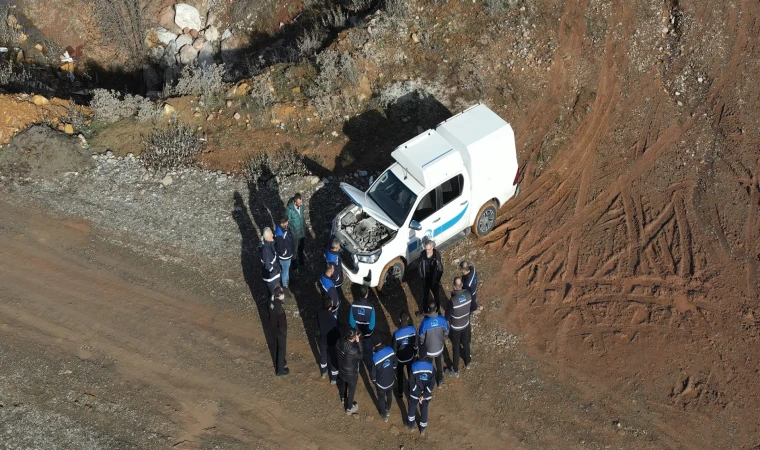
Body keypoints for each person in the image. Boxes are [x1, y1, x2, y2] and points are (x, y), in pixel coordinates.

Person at [444, 277, 472, 378]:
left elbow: (447, 317)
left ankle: (455, 370)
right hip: (466, 325)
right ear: (462, 285)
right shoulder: (468, 295)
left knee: (456, 349)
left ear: (454, 287)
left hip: (456, 328)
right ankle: (468, 362)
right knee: (466, 343)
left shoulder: (452, 301)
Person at [418, 301, 448, 387]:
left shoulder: (425, 323)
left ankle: (429, 382)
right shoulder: (442, 319)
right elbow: (446, 331)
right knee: (439, 364)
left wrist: (422, 346)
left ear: (428, 309)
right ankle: (440, 380)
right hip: (439, 348)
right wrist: (442, 339)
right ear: (436, 309)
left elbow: (421, 337)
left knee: (429, 366)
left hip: (429, 351)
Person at [349, 285, 375, 379]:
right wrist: (364, 333)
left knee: (357, 351)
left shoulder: (353, 305)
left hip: (357, 335)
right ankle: (371, 373)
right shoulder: (370, 307)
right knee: (369, 352)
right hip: (367, 335)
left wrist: (358, 332)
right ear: (367, 294)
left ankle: (358, 369)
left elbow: (351, 322)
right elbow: (371, 325)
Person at [370, 333, 397, 422]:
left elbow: (373, 374)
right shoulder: (390, 350)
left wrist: (374, 381)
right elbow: (395, 363)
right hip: (391, 380)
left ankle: (383, 414)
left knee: (381, 398)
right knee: (389, 395)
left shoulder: (375, 358)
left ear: (374, 345)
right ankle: (388, 409)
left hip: (381, 383)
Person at [336, 327, 363, 415]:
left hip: (342, 370)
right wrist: (358, 342)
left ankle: (343, 398)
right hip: (351, 374)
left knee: (344, 383)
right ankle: (349, 408)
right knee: (351, 391)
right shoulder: (353, 350)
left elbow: (345, 346)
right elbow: (361, 355)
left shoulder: (339, 342)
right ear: (354, 338)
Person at [407, 354, 435, 435]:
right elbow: (431, 383)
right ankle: (422, 429)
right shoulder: (431, 367)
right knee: (424, 410)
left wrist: (419, 393)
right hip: (425, 396)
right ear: (426, 355)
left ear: (418, 355)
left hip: (414, 394)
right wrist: (424, 395)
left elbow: (411, 383)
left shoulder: (414, 366)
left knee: (412, 408)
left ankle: (411, 425)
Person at [393, 311, 417, 397]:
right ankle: (411, 391)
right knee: (410, 374)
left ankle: (400, 392)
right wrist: (415, 353)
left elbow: (394, 349)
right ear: (408, 319)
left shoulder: (396, 334)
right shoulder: (413, 330)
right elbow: (415, 344)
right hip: (410, 357)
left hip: (400, 359)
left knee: (400, 375)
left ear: (400, 320)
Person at [317, 297, 340, 384]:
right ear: (330, 307)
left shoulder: (319, 312)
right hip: (331, 341)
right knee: (333, 358)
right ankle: (334, 378)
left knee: (323, 355)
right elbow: (336, 330)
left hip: (323, 338)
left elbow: (318, 324)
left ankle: (323, 371)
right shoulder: (331, 318)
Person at [418, 240, 444, 313]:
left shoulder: (437, 256)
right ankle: (425, 311)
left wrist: (437, 280)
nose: (427, 251)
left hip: (434, 280)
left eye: (428, 249)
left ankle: (438, 310)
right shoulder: (422, 256)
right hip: (426, 279)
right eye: (426, 249)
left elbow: (440, 269)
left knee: (436, 296)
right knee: (425, 297)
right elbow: (419, 268)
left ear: (432, 248)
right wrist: (422, 278)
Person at [269, 286, 289, 377]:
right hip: (280, 330)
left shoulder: (271, 301)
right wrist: (281, 333)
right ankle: (280, 371)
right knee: (281, 349)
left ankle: (281, 362)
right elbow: (279, 323)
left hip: (275, 329)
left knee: (278, 347)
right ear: (279, 296)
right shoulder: (278, 308)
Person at [259, 227, 281, 300]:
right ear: (268, 236)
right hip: (271, 277)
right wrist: (274, 270)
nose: (273, 234)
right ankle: (273, 305)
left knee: (271, 291)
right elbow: (268, 265)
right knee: (273, 293)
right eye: (271, 233)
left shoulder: (268, 245)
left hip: (271, 276)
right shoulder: (266, 250)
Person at [286, 193, 307, 267]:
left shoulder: (302, 205)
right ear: (295, 202)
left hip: (302, 231)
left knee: (301, 248)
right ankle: (294, 266)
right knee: (294, 251)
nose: (301, 204)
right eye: (299, 203)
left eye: (301, 202)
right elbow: (287, 223)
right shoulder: (289, 210)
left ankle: (301, 262)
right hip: (295, 234)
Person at [275, 216, 294, 292]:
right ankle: (285, 286)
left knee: (286, 270)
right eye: (286, 222)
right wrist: (286, 252)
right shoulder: (280, 234)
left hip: (287, 255)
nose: (288, 223)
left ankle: (287, 281)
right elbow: (280, 248)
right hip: (285, 257)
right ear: (283, 223)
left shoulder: (281, 229)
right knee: (285, 271)